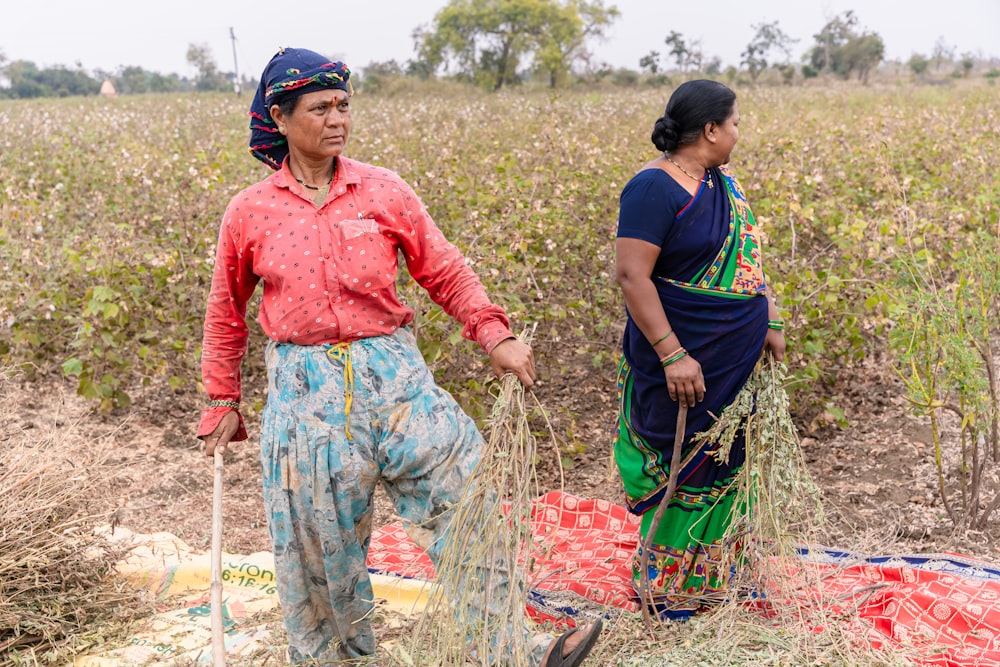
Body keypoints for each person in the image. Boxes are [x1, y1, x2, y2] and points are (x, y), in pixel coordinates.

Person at [196, 47, 601, 665]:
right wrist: (222, 399)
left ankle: (516, 649)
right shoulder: (251, 212)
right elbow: (226, 313)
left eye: (343, 106)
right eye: (319, 108)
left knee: (468, 503)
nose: (337, 119)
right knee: (321, 551)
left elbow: (444, 270)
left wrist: (494, 333)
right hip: (306, 397)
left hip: (397, 376)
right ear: (279, 117)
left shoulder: (382, 190)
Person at [612, 80, 786, 618]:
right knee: (685, 459)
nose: (738, 132)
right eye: (734, 123)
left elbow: (750, 260)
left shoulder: (722, 183)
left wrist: (771, 320)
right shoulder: (651, 189)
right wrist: (672, 355)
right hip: (684, 358)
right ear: (710, 129)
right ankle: (668, 587)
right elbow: (632, 276)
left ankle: (720, 576)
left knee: (728, 456)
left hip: (736, 358)